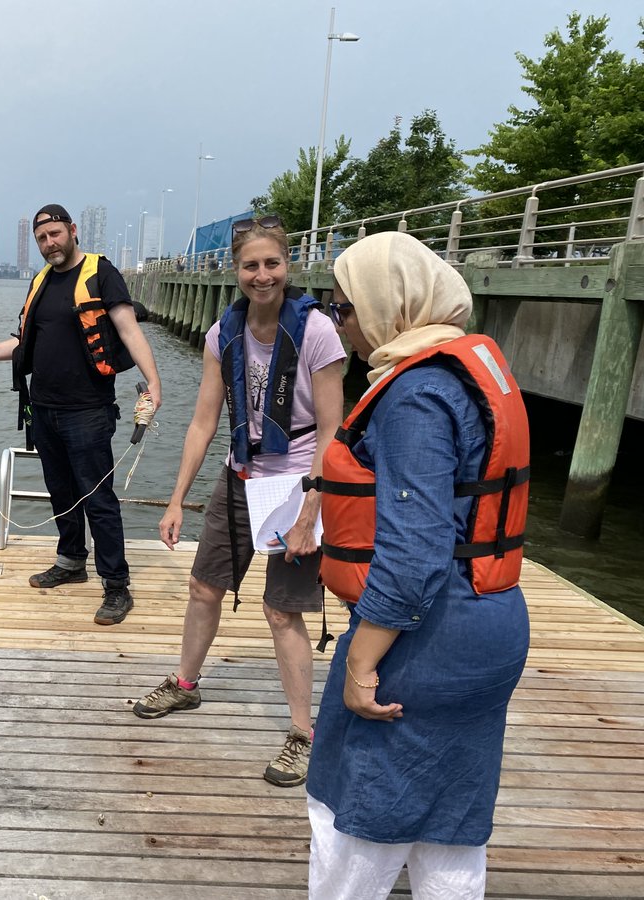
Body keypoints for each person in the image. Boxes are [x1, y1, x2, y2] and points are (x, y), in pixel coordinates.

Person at [305, 231, 531, 898]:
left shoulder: (414, 395)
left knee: (352, 823)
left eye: (343, 306)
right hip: (493, 624)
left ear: (388, 305)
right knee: (450, 829)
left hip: (426, 638)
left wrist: (359, 665)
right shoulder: (473, 372)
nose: (338, 323)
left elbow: (413, 556)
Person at [133, 216, 345, 788]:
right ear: (235, 270)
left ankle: (303, 733)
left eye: (272, 263)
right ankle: (185, 685)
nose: (262, 275)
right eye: (251, 265)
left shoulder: (318, 332)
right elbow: (204, 422)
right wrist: (176, 499)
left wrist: (311, 511)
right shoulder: (222, 334)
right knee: (204, 586)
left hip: (300, 480)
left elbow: (333, 430)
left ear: (288, 265)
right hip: (241, 474)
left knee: (282, 610)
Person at [0, 204, 162, 626]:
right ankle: (70, 561)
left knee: (98, 500)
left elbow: (128, 329)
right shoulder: (41, 282)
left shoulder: (101, 273)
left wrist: (154, 384)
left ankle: (116, 585)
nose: (50, 244)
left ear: (72, 230)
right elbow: (22, 342)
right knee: (60, 492)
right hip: (44, 410)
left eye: (55, 234)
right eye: (42, 239)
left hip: (88, 412)